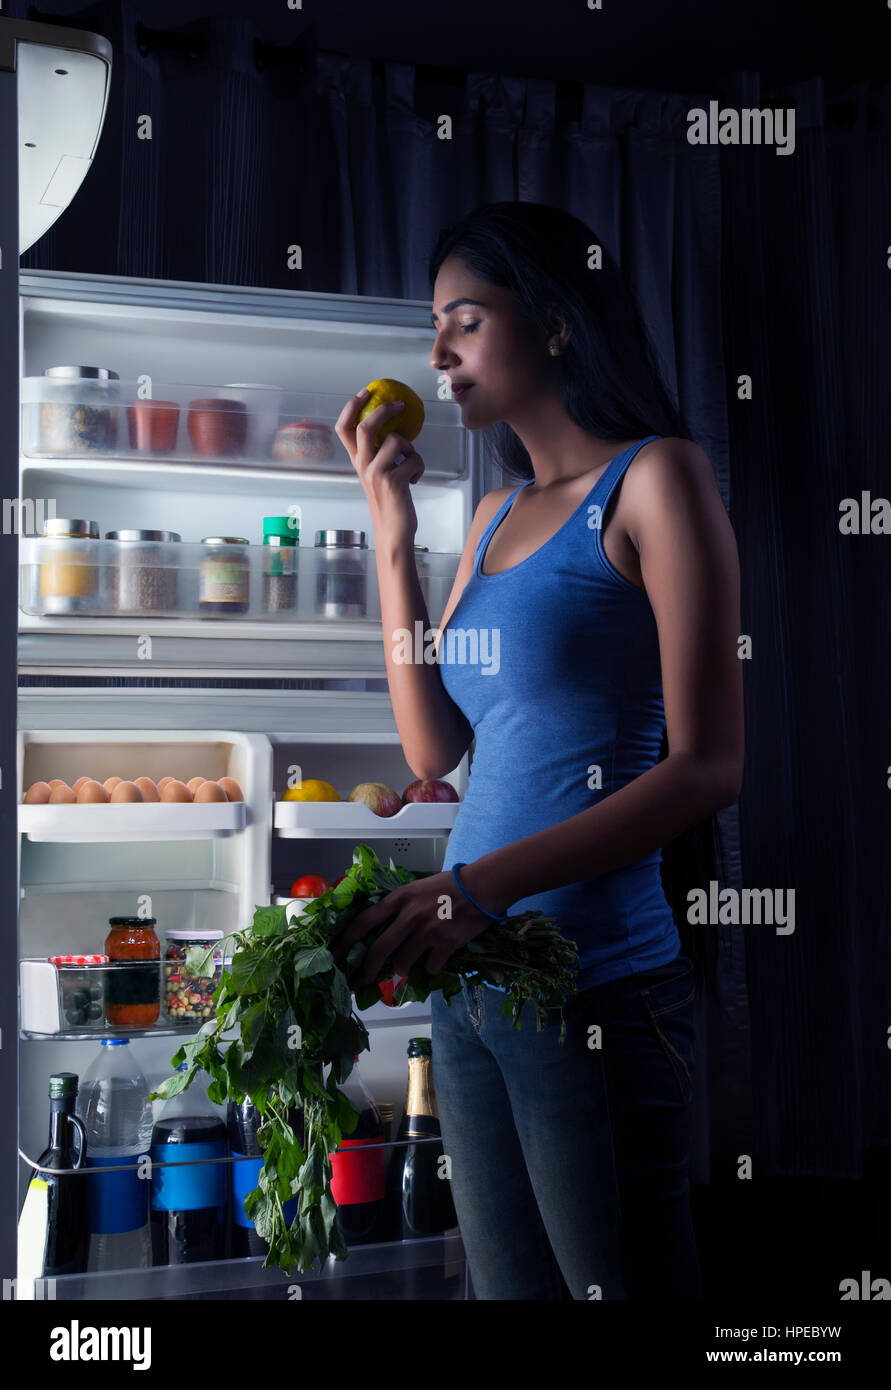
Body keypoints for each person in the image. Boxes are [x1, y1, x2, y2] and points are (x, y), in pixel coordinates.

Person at [334, 201, 743, 1300]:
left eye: (465, 320)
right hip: (472, 984)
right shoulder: (495, 515)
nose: (438, 354)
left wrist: (478, 885)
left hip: (598, 989)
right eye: (434, 328)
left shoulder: (657, 479)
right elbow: (434, 744)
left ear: (556, 324)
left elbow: (709, 768)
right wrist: (389, 528)